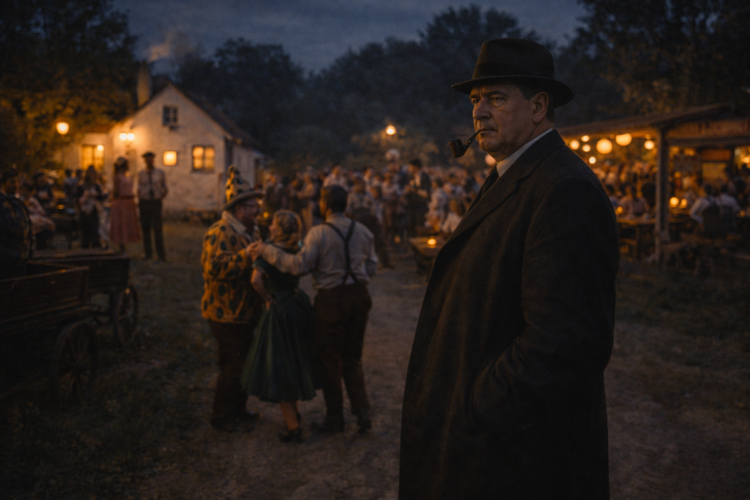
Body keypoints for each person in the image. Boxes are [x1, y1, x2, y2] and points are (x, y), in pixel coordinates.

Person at [399, 38, 619, 499]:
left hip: (516, 461)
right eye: (475, 100)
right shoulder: (515, 174)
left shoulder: (565, 189)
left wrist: (481, 408)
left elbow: (566, 343)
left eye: (496, 98)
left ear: (539, 107)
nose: (478, 112)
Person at [249, 185, 378, 434]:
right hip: (359, 296)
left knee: (330, 360)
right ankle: (362, 412)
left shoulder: (318, 233)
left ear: (324, 205)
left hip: (332, 299)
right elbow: (372, 265)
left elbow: (299, 266)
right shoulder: (363, 231)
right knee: (353, 358)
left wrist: (267, 250)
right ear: (346, 205)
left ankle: (335, 419)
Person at [241, 210, 320, 443]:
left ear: (280, 229)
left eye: (274, 224)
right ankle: (294, 414)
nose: (270, 227)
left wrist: (267, 297)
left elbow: (256, 280)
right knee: (294, 361)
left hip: (279, 310)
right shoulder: (296, 248)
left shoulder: (267, 253)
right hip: (297, 305)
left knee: (280, 366)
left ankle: (293, 427)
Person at [201, 166, 265, 432]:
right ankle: (222, 416)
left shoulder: (249, 230)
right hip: (225, 312)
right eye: (252, 206)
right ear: (239, 209)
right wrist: (245, 257)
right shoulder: (220, 232)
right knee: (232, 366)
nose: (257, 210)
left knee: (244, 363)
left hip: (244, 311)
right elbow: (214, 268)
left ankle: (238, 409)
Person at [137, 151, 168, 261]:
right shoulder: (141, 173)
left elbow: (164, 186)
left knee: (157, 229)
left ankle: (161, 254)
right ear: (144, 161)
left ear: (153, 160)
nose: (149, 161)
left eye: (150, 158)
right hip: (145, 202)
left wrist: (161, 196)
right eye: (147, 159)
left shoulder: (160, 172)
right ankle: (148, 253)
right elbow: (139, 187)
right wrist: (141, 197)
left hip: (155, 202)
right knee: (145, 229)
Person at [109, 157, 141, 252]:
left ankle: (125, 243)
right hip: (121, 202)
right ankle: (121, 246)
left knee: (127, 224)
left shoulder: (127, 175)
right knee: (121, 223)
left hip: (129, 202)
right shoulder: (117, 176)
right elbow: (116, 191)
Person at [76, 166, 107, 249]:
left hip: (94, 212)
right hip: (84, 213)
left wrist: (97, 195)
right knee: (85, 235)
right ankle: (85, 251)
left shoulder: (97, 186)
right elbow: (78, 200)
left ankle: (95, 251)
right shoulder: (81, 186)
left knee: (95, 234)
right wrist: (86, 196)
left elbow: (102, 198)